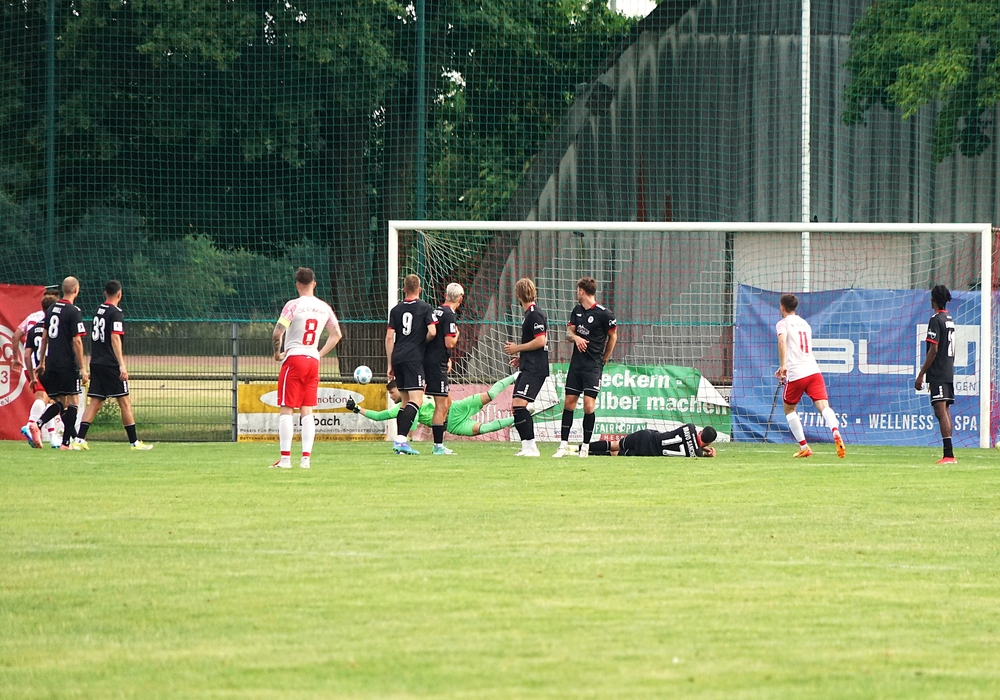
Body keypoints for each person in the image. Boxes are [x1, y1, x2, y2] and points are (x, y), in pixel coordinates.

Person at [270, 267, 342, 469]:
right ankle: (306, 460)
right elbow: (337, 335)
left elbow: (277, 333)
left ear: (297, 285)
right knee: (307, 409)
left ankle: (285, 459)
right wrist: (318, 353)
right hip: (312, 361)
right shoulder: (324, 307)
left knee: (287, 407)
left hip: (294, 358)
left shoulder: (293, 305)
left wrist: (277, 354)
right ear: (314, 284)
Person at [73, 280, 152, 451]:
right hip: (110, 364)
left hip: (96, 361)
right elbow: (115, 337)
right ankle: (134, 442)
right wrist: (122, 365)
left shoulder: (98, 310)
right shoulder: (116, 313)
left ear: (105, 293)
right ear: (119, 294)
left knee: (95, 401)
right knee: (124, 401)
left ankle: (79, 439)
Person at [775, 293, 846, 458]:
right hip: (813, 370)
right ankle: (835, 430)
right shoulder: (805, 323)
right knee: (824, 406)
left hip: (797, 373)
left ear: (782, 307)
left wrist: (784, 365)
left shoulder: (782, 323)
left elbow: (782, 342)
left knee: (789, 409)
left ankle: (804, 447)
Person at [554, 277, 617, 459]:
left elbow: (613, 336)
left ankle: (586, 447)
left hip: (593, 367)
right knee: (569, 403)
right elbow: (569, 333)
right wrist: (576, 338)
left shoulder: (604, 314)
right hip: (577, 365)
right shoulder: (577, 311)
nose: (576, 293)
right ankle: (563, 445)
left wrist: (604, 358)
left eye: (577, 290)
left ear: (581, 291)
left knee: (589, 406)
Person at [346, 375, 519, 437]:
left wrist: (408, 436)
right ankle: (519, 417)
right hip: (452, 425)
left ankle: (516, 376)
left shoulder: (415, 398)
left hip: (455, 408)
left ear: (400, 388)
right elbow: (379, 416)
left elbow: (413, 421)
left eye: (392, 392)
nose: (391, 397)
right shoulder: (401, 408)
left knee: (489, 395)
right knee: (483, 429)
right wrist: (356, 408)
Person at [30, 277, 89, 450]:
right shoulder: (73, 311)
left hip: (52, 362)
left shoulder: (51, 309)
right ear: (76, 290)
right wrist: (83, 368)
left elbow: (45, 337)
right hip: (67, 363)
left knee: (61, 404)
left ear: (63, 290)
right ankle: (67, 443)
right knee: (73, 402)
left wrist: (42, 361)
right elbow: (77, 341)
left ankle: (38, 424)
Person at [386, 274, 437, 455]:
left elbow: (389, 337)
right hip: (413, 358)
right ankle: (401, 440)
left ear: (404, 289)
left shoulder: (396, 310)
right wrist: (422, 341)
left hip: (398, 357)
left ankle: (401, 442)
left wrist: (390, 363)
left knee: (405, 402)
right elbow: (432, 331)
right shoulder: (425, 308)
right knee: (417, 399)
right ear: (420, 289)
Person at [503, 278, 549, 457]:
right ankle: (527, 447)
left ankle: (531, 448)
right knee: (516, 407)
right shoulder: (530, 314)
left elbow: (541, 341)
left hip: (535, 369)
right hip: (528, 365)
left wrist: (517, 348)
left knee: (519, 406)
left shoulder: (534, 314)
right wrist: (521, 358)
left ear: (518, 294)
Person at [12, 289, 62, 448]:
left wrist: (15, 358)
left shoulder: (32, 318)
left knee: (49, 399)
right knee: (43, 397)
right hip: (44, 365)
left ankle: (53, 437)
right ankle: (30, 425)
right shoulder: (54, 320)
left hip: (30, 365)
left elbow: (16, 336)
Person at [915, 285, 956, 464]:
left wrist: (921, 374)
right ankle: (949, 454)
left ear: (933, 300)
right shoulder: (949, 319)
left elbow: (933, 350)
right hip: (947, 369)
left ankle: (949, 455)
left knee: (940, 411)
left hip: (939, 371)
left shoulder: (936, 319)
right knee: (944, 410)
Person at [424, 282, 463, 455]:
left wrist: (447, 358)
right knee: (441, 405)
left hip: (434, 360)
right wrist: (457, 335)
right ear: (460, 299)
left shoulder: (437, 311)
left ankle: (439, 442)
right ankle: (438, 446)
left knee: (446, 403)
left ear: (446, 295)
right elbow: (449, 342)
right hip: (435, 364)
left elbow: (435, 338)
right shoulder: (449, 315)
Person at [588, 424, 717, 457]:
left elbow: (690, 439)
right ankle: (588, 453)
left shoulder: (690, 427)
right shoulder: (697, 454)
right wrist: (706, 453)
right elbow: (693, 446)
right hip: (647, 452)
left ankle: (583, 448)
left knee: (614, 444)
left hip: (647, 437)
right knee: (614, 454)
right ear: (709, 443)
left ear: (701, 432)